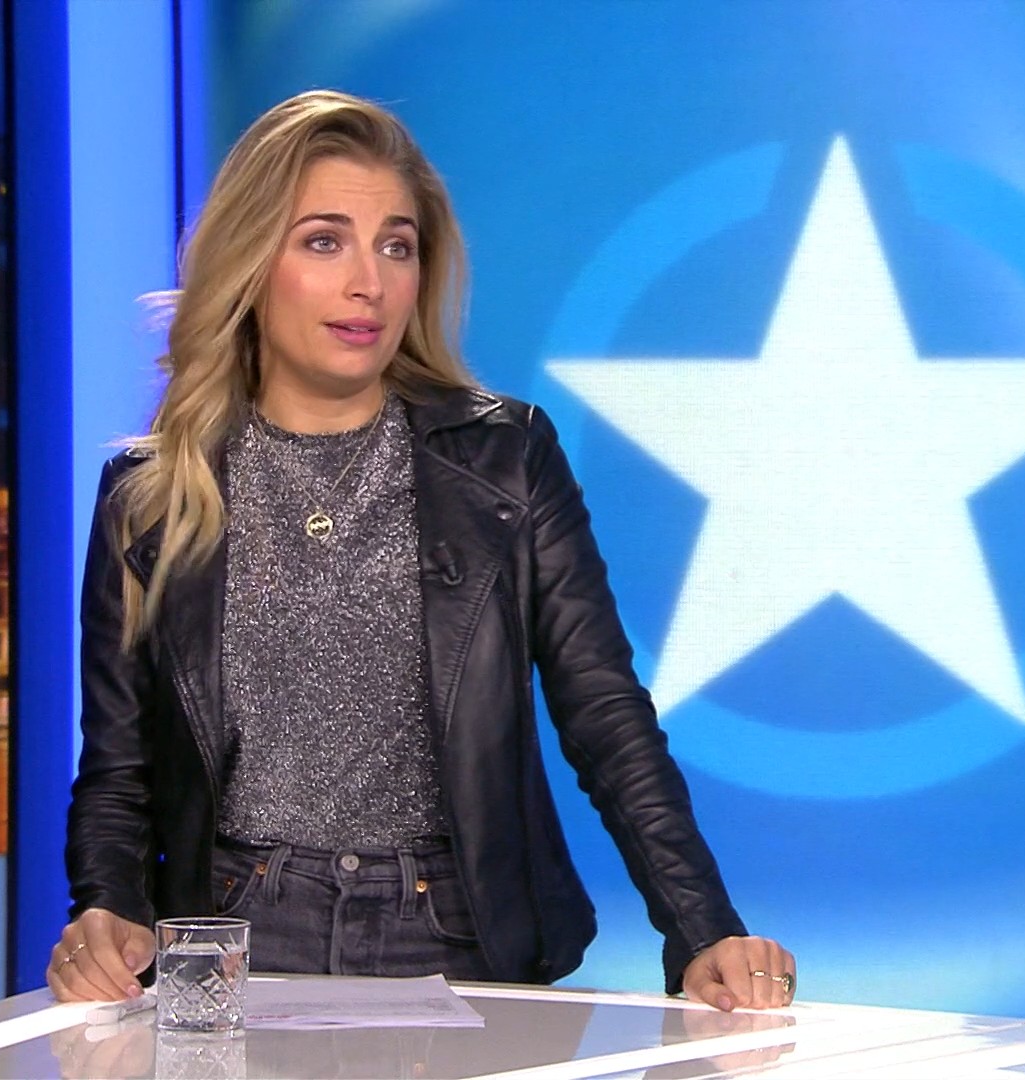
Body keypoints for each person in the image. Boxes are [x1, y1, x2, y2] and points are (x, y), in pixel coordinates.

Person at [49, 90, 796, 1012]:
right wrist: (107, 908)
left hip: (457, 933)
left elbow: (604, 714)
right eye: (324, 241)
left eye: (396, 246)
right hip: (234, 935)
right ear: (251, 261)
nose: (369, 281)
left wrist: (703, 927)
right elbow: (118, 769)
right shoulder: (150, 494)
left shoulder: (505, 459)